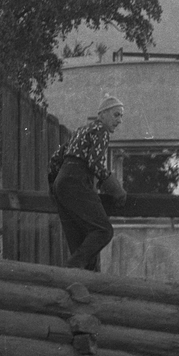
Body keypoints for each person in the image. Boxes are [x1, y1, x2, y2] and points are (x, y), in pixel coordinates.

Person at [48, 95, 128, 271]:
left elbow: (55, 159)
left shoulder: (80, 131)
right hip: (77, 182)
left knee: (81, 246)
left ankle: (78, 284)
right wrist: (117, 190)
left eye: (121, 116)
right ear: (103, 114)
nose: (119, 120)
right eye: (116, 115)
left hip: (62, 184)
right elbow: (95, 163)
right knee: (103, 231)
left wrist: (54, 188)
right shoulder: (101, 131)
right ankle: (71, 268)